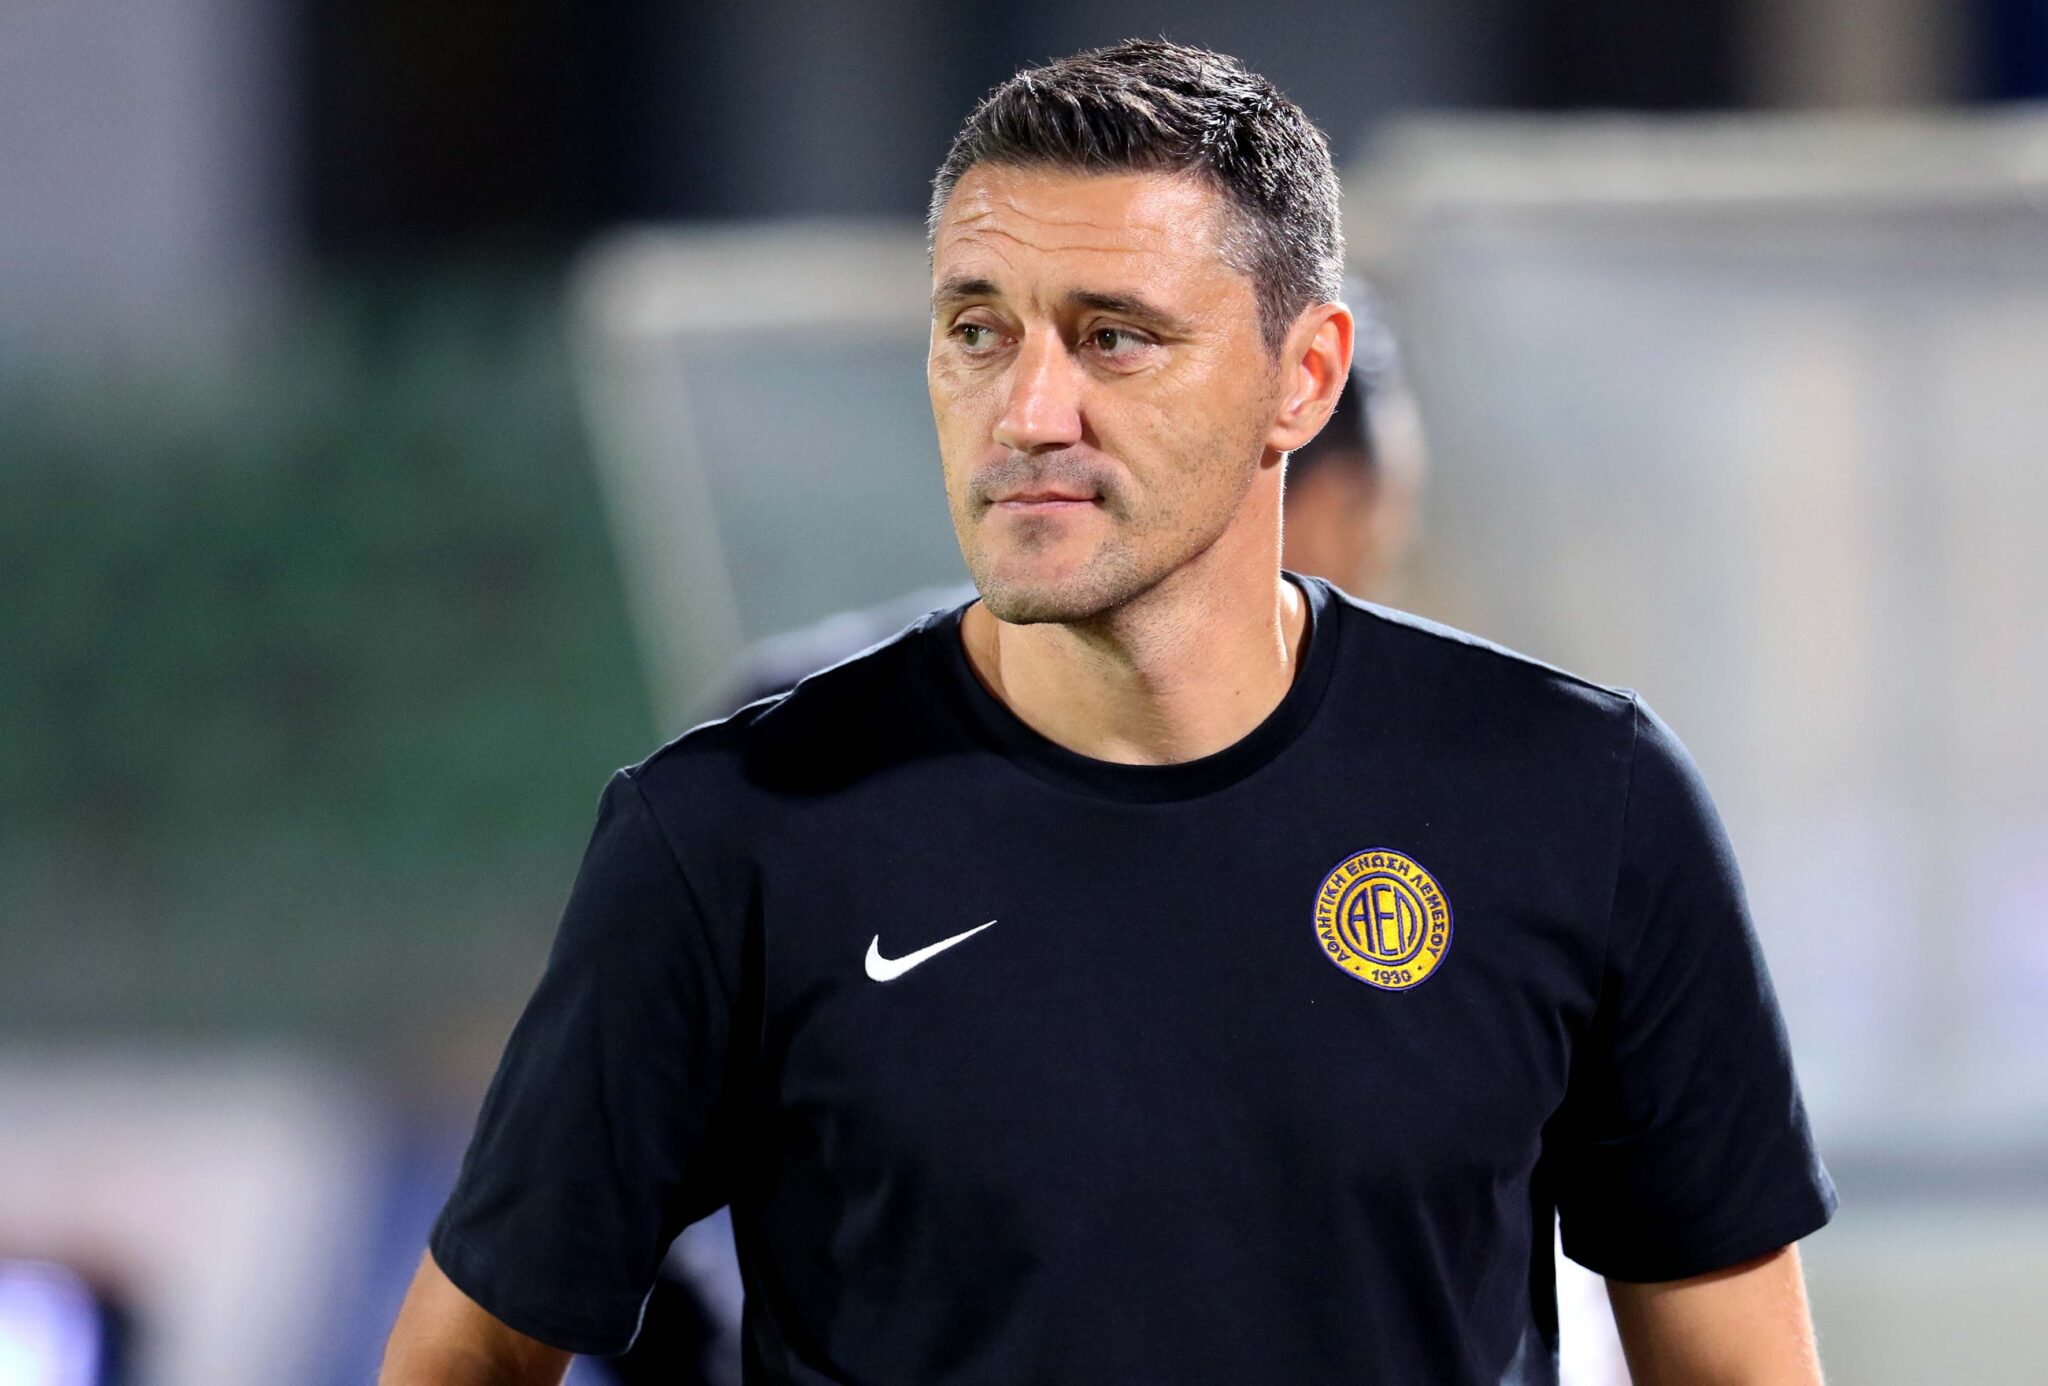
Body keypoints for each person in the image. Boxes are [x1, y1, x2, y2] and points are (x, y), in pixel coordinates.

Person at [382, 39, 1835, 1385]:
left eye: (1115, 338)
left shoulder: (1576, 796)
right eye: (976, 330)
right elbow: (472, 1354)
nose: (1028, 411)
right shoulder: (733, 831)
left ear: (1305, 377)